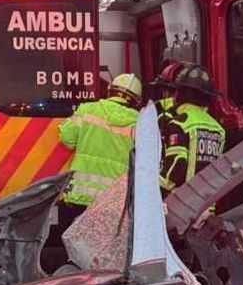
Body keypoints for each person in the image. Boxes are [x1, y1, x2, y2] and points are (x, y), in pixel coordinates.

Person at [58, 73, 142, 210]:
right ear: (136, 101)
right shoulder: (139, 122)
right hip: (114, 199)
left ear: (110, 90)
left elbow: (68, 138)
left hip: (80, 194)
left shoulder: (87, 110)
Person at [160, 64, 226, 194]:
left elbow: (177, 165)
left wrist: (152, 181)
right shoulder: (218, 129)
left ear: (180, 94)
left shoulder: (180, 124)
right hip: (208, 205)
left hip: (183, 204)